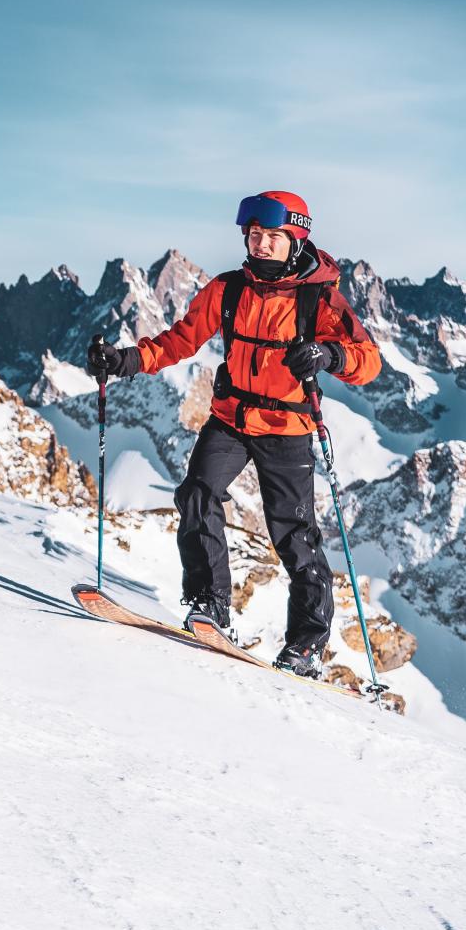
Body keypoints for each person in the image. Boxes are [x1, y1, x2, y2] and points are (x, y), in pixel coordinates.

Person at [85, 190, 381, 678]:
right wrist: (125, 361)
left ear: (296, 239)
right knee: (197, 494)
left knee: (294, 536)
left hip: (287, 427)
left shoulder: (320, 299)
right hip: (231, 418)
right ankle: (210, 604)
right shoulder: (228, 289)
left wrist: (331, 356)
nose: (261, 244)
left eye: (272, 237)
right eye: (254, 235)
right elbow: (180, 339)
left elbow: (368, 361)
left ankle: (306, 647)